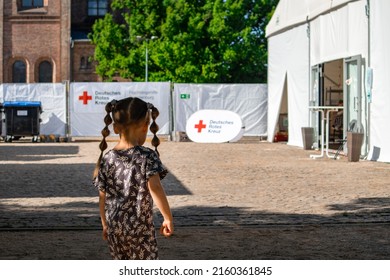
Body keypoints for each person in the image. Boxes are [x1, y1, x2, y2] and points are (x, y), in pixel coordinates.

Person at [93, 97, 174, 260]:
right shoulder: (147, 156)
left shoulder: (107, 159)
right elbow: (155, 188)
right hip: (140, 229)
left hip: (115, 228)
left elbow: (102, 196)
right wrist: (167, 218)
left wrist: (104, 224)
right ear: (145, 127)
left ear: (115, 128)